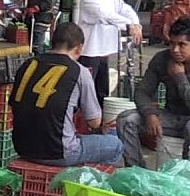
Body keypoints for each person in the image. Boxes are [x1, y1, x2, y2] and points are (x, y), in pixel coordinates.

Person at [10, 24, 124, 166]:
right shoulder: (79, 71)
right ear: (79, 48)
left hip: (22, 148)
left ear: (52, 42)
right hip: (60, 152)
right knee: (115, 144)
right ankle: (97, 178)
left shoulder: (28, 64)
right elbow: (94, 122)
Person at [117, 17, 190, 166]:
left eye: (182, 45)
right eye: (172, 43)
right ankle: (136, 170)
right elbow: (142, 91)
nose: (175, 50)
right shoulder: (162, 59)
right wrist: (150, 114)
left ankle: (187, 173)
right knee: (126, 119)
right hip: (172, 117)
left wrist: (179, 77)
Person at [75, 0, 142, 103]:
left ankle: (100, 113)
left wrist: (135, 23)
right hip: (89, 50)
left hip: (103, 50)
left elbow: (126, 9)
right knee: (87, 88)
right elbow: (105, 15)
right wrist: (129, 25)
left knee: (102, 89)